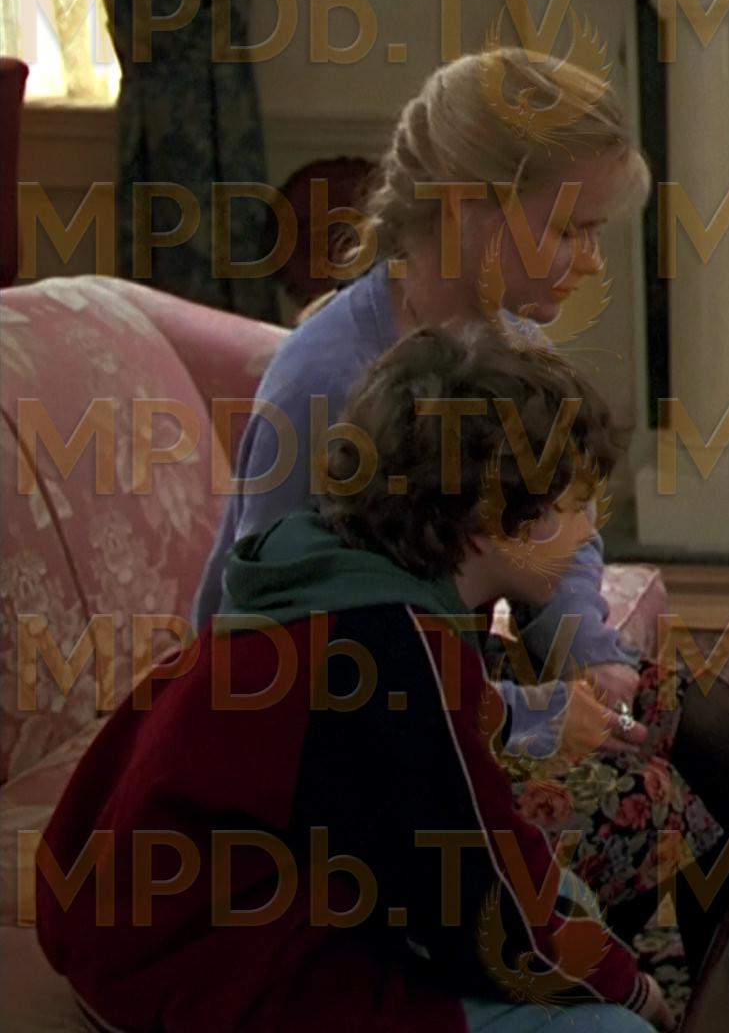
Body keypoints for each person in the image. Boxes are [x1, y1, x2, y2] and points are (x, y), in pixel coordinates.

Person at [187, 48, 729, 963]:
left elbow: (559, 526)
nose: (590, 262)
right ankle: (540, 983)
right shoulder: (325, 381)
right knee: (634, 804)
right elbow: (284, 657)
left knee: (713, 728)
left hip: (450, 675)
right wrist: (528, 716)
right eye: (569, 230)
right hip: (348, 730)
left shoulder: (512, 341)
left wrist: (584, 651)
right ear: (464, 211)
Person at [39, 326, 673, 1032]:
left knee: (563, 898)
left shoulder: (336, 570)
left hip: (160, 936)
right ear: (487, 523)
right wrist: (633, 992)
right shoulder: (393, 655)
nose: (587, 533)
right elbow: (485, 912)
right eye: (572, 506)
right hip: (207, 972)